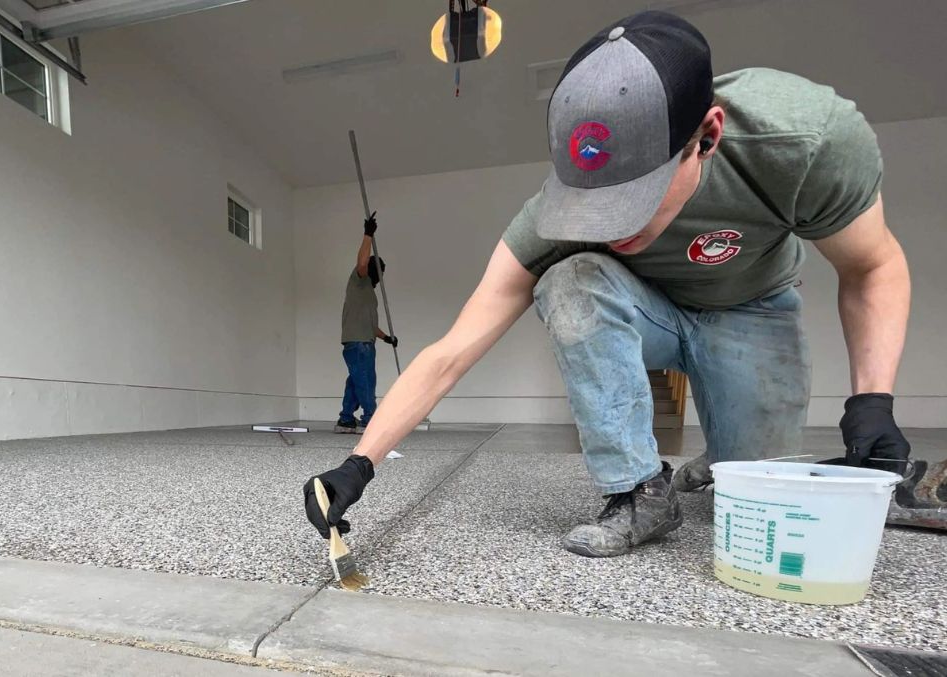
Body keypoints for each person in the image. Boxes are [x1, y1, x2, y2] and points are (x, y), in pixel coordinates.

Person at [305, 10, 942, 553]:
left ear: (708, 137)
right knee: (571, 279)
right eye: (590, 202)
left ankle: (720, 466)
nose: (609, 226)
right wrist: (359, 464)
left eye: (632, 200)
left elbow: (872, 267)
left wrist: (872, 402)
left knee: (758, 494)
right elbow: (450, 352)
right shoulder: (549, 219)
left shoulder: (802, 140)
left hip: (753, 309)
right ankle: (638, 492)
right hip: (648, 308)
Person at [334, 212, 398, 435]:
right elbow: (362, 262)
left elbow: (370, 325)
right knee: (366, 381)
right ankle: (370, 419)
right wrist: (368, 235)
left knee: (356, 381)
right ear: (372, 269)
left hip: (364, 340)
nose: (381, 276)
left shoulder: (368, 294)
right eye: (379, 270)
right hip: (358, 343)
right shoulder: (360, 281)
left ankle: (345, 420)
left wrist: (386, 338)